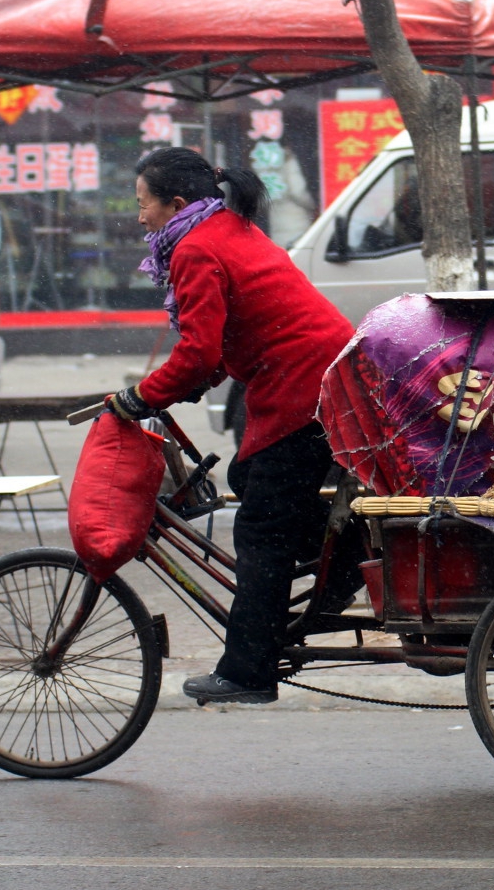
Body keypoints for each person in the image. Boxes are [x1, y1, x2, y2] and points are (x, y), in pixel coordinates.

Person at [110, 146, 355, 704]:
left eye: (143, 203)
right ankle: (347, 561)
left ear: (174, 204)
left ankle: (248, 672)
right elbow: (223, 339)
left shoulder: (196, 248)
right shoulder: (223, 229)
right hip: (312, 376)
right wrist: (187, 383)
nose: (139, 215)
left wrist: (139, 397)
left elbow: (198, 352)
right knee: (253, 484)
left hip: (302, 383)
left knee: (261, 531)